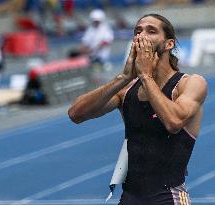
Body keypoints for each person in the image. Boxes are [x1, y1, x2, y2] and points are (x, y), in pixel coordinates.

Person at [68, 13, 207, 205]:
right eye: (138, 31)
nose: (142, 36)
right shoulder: (127, 89)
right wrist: (123, 77)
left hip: (168, 196)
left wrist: (146, 76)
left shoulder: (190, 83)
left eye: (151, 31)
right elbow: (76, 114)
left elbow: (174, 122)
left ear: (169, 44)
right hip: (130, 197)